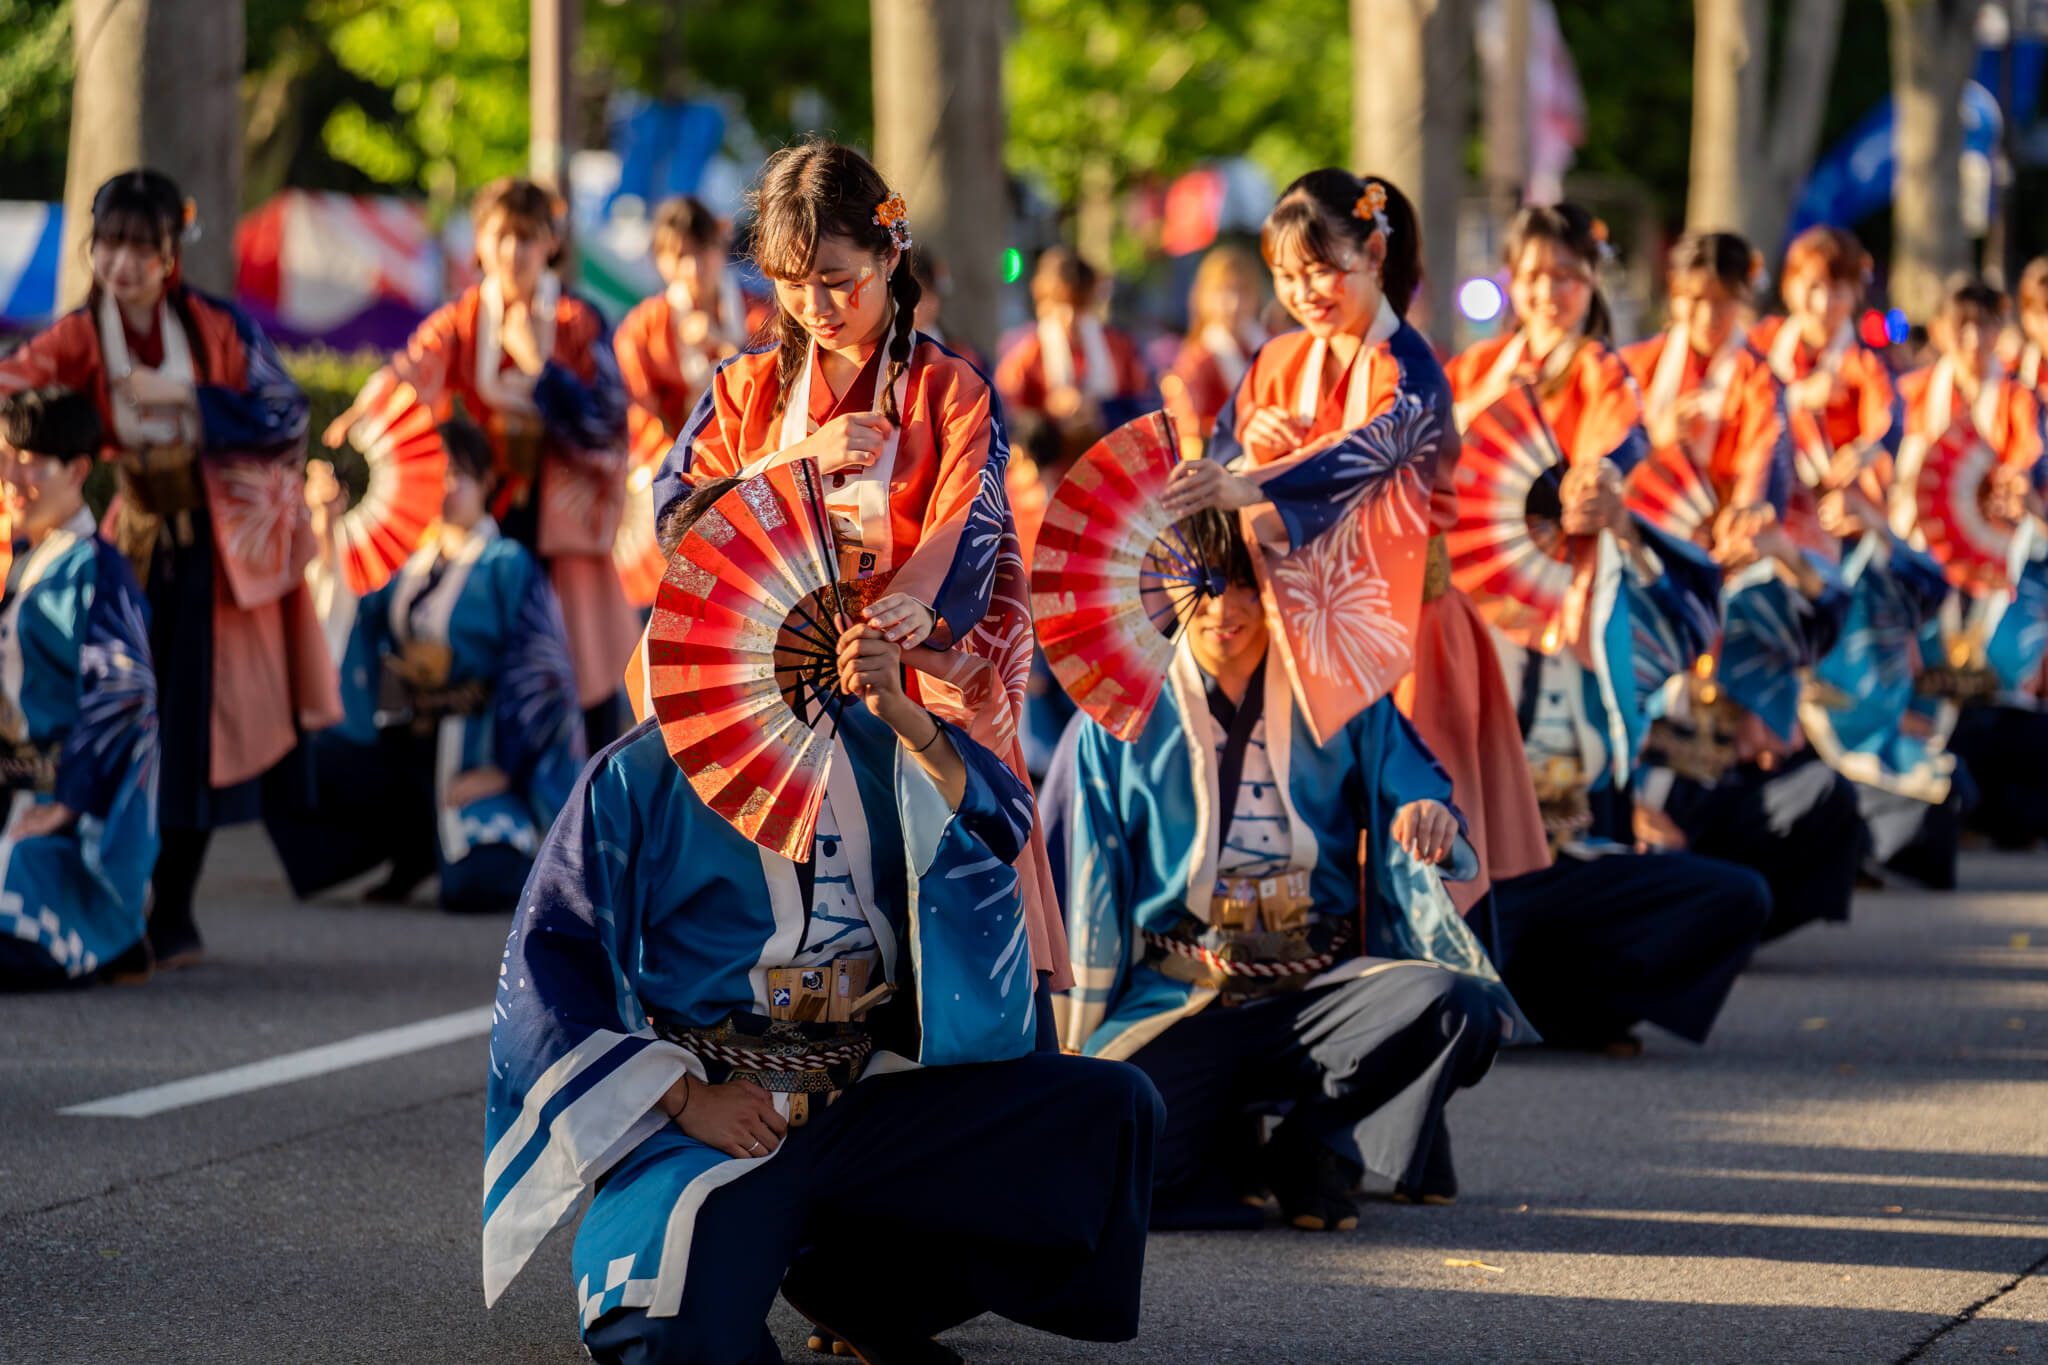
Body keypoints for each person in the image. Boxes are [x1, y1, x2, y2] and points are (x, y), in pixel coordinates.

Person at [483, 478, 1160, 1365]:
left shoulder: (885, 738)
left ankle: (854, 1285)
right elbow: (551, 967)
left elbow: (1000, 825)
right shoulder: (636, 774)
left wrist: (910, 717)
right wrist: (686, 1098)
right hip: (726, 1108)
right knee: (673, 1337)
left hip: (868, 1094)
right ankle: (749, 1255)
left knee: (1110, 1114)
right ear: (697, 601)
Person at [649, 138, 1070, 1017]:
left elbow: (972, 524)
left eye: (839, 281)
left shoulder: (950, 391)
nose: (816, 307)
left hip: (901, 668)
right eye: (791, 283)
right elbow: (677, 521)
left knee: (952, 895)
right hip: (760, 678)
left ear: (891, 253)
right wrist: (797, 456)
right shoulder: (742, 389)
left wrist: (910, 609)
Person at [1046, 507, 1514, 1228]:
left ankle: (1313, 1145)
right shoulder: (1115, 716)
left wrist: (1428, 811)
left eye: (1246, 585)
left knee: (1458, 1007)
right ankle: (1228, 1147)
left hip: (1317, 989)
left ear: (1282, 588)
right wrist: (1071, 1044)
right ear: (1164, 590)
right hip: (1181, 999)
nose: (1223, 609)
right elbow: (1080, 888)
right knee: (1108, 1177)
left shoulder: (1336, 689)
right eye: (1203, 585)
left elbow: (1412, 778)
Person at [0, 168, 337, 972]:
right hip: (136, 541)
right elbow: (14, 387)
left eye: (138, 248)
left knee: (197, 732)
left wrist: (188, 397)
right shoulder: (79, 335)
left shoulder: (216, 327)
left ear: (167, 256)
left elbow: (287, 412)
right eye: (108, 245)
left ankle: (175, 908)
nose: (120, 264)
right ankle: (110, 895)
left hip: (218, 552)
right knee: (120, 716)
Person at [324, 177, 639, 753]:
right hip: (485, 514)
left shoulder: (577, 320)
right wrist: (370, 403)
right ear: (480, 242)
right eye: (500, 236)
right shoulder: (464, 318)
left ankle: (574, 788)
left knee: (575, 668)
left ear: (551, 243)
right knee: (478, 661)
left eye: (527, 237)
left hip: (560, 522)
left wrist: (539, 366)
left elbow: (607, 421)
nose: (513, 252)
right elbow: (414, 366)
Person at [265, 419, 584, 912]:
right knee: (289, 760)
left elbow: (545, 676)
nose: (448, 487)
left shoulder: (507, 564)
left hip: (479, 750)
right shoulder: (408, 566)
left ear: (487, 482)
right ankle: (413, 847)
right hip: (405, 751)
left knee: (482, 887)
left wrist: (504, 771)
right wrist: (327, 527)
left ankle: (475, 836)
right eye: (440, 474)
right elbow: (345, 622)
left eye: (460, 475)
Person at [1434, 202, 1641, 913]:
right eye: (1531, 277)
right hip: (1478, 584)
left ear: (1591, 282)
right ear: (1510, 283)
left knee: (1570, 745)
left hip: (1566, 582)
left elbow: (1620, 443)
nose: (1548, 292)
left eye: (1565, 276)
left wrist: (1601, 477)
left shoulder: (1601, 369)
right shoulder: (1475, 367)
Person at [1632, 519, 1864, 941]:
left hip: (1727, 786)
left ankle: (1736, 926)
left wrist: (1783, 553)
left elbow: (1825, 620)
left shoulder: (1752, 596)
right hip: (1655, 788)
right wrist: (1636, 806)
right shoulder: (1641, 591)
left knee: (1830, 795)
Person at [0, 388, 158, 985]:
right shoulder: (28, 557)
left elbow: (126, 693)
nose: (12, 478)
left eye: (31, 462)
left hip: (59, 816)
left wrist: (68, 803)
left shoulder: (93, 568)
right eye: (6, 458)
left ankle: (107, 929)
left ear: (78, 470)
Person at [1898, 275, 2048, 850]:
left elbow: (2027, 461)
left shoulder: (2018, 400)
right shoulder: (1913, 392)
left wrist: (2016, 491)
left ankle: (1994, 813)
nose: (1971, 339)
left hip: (1997, 570)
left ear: (1999, 330)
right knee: (1924, 684)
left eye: (1984, 326)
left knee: (1998, 687)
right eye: (1960, 325)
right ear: (1940, 329)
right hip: (1923, 565)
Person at [1622, 232, 1794, 557]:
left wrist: (1742, 516)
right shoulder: (1635, 365)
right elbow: (1608, 453)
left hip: (1722, 544)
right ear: (1674, 290)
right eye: (1696, 298)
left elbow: (1760, 463)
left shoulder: (1761, 381)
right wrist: (1654, 438)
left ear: (1744, 296)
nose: (1707, 315)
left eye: (1723, 301)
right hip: (1639, 537)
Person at [1750, 226, 1900, 495]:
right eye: (1813, 287)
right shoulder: (1760, 344)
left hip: (1837, 498)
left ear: (1856, 293)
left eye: (1837, 290)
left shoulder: (1867, 362)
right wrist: (1798, 396)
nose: (1823, 303)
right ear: (1787, 286)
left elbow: (1883, 419)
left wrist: (1868, 449)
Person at [994, 244, 1154, 453]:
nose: (1069, 318)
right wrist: (1050, 413)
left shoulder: (1120, 347)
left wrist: (1101, 410)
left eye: (1078, 308)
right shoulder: (1023, 353)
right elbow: (1006, 420)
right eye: (1059, 306)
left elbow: (1145, 408)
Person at [1165, 245, 1269, 437]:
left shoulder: (1272, 343)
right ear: (1203, 296)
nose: (1234, 303)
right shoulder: (1196, 360)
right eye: (1223, 291)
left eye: (1243, 291)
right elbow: (1187, 429)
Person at [908, 246, 988, 375]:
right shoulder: (885, 354)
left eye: (928, 294)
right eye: (913, 295)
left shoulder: (961, 354)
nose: (920, 304)